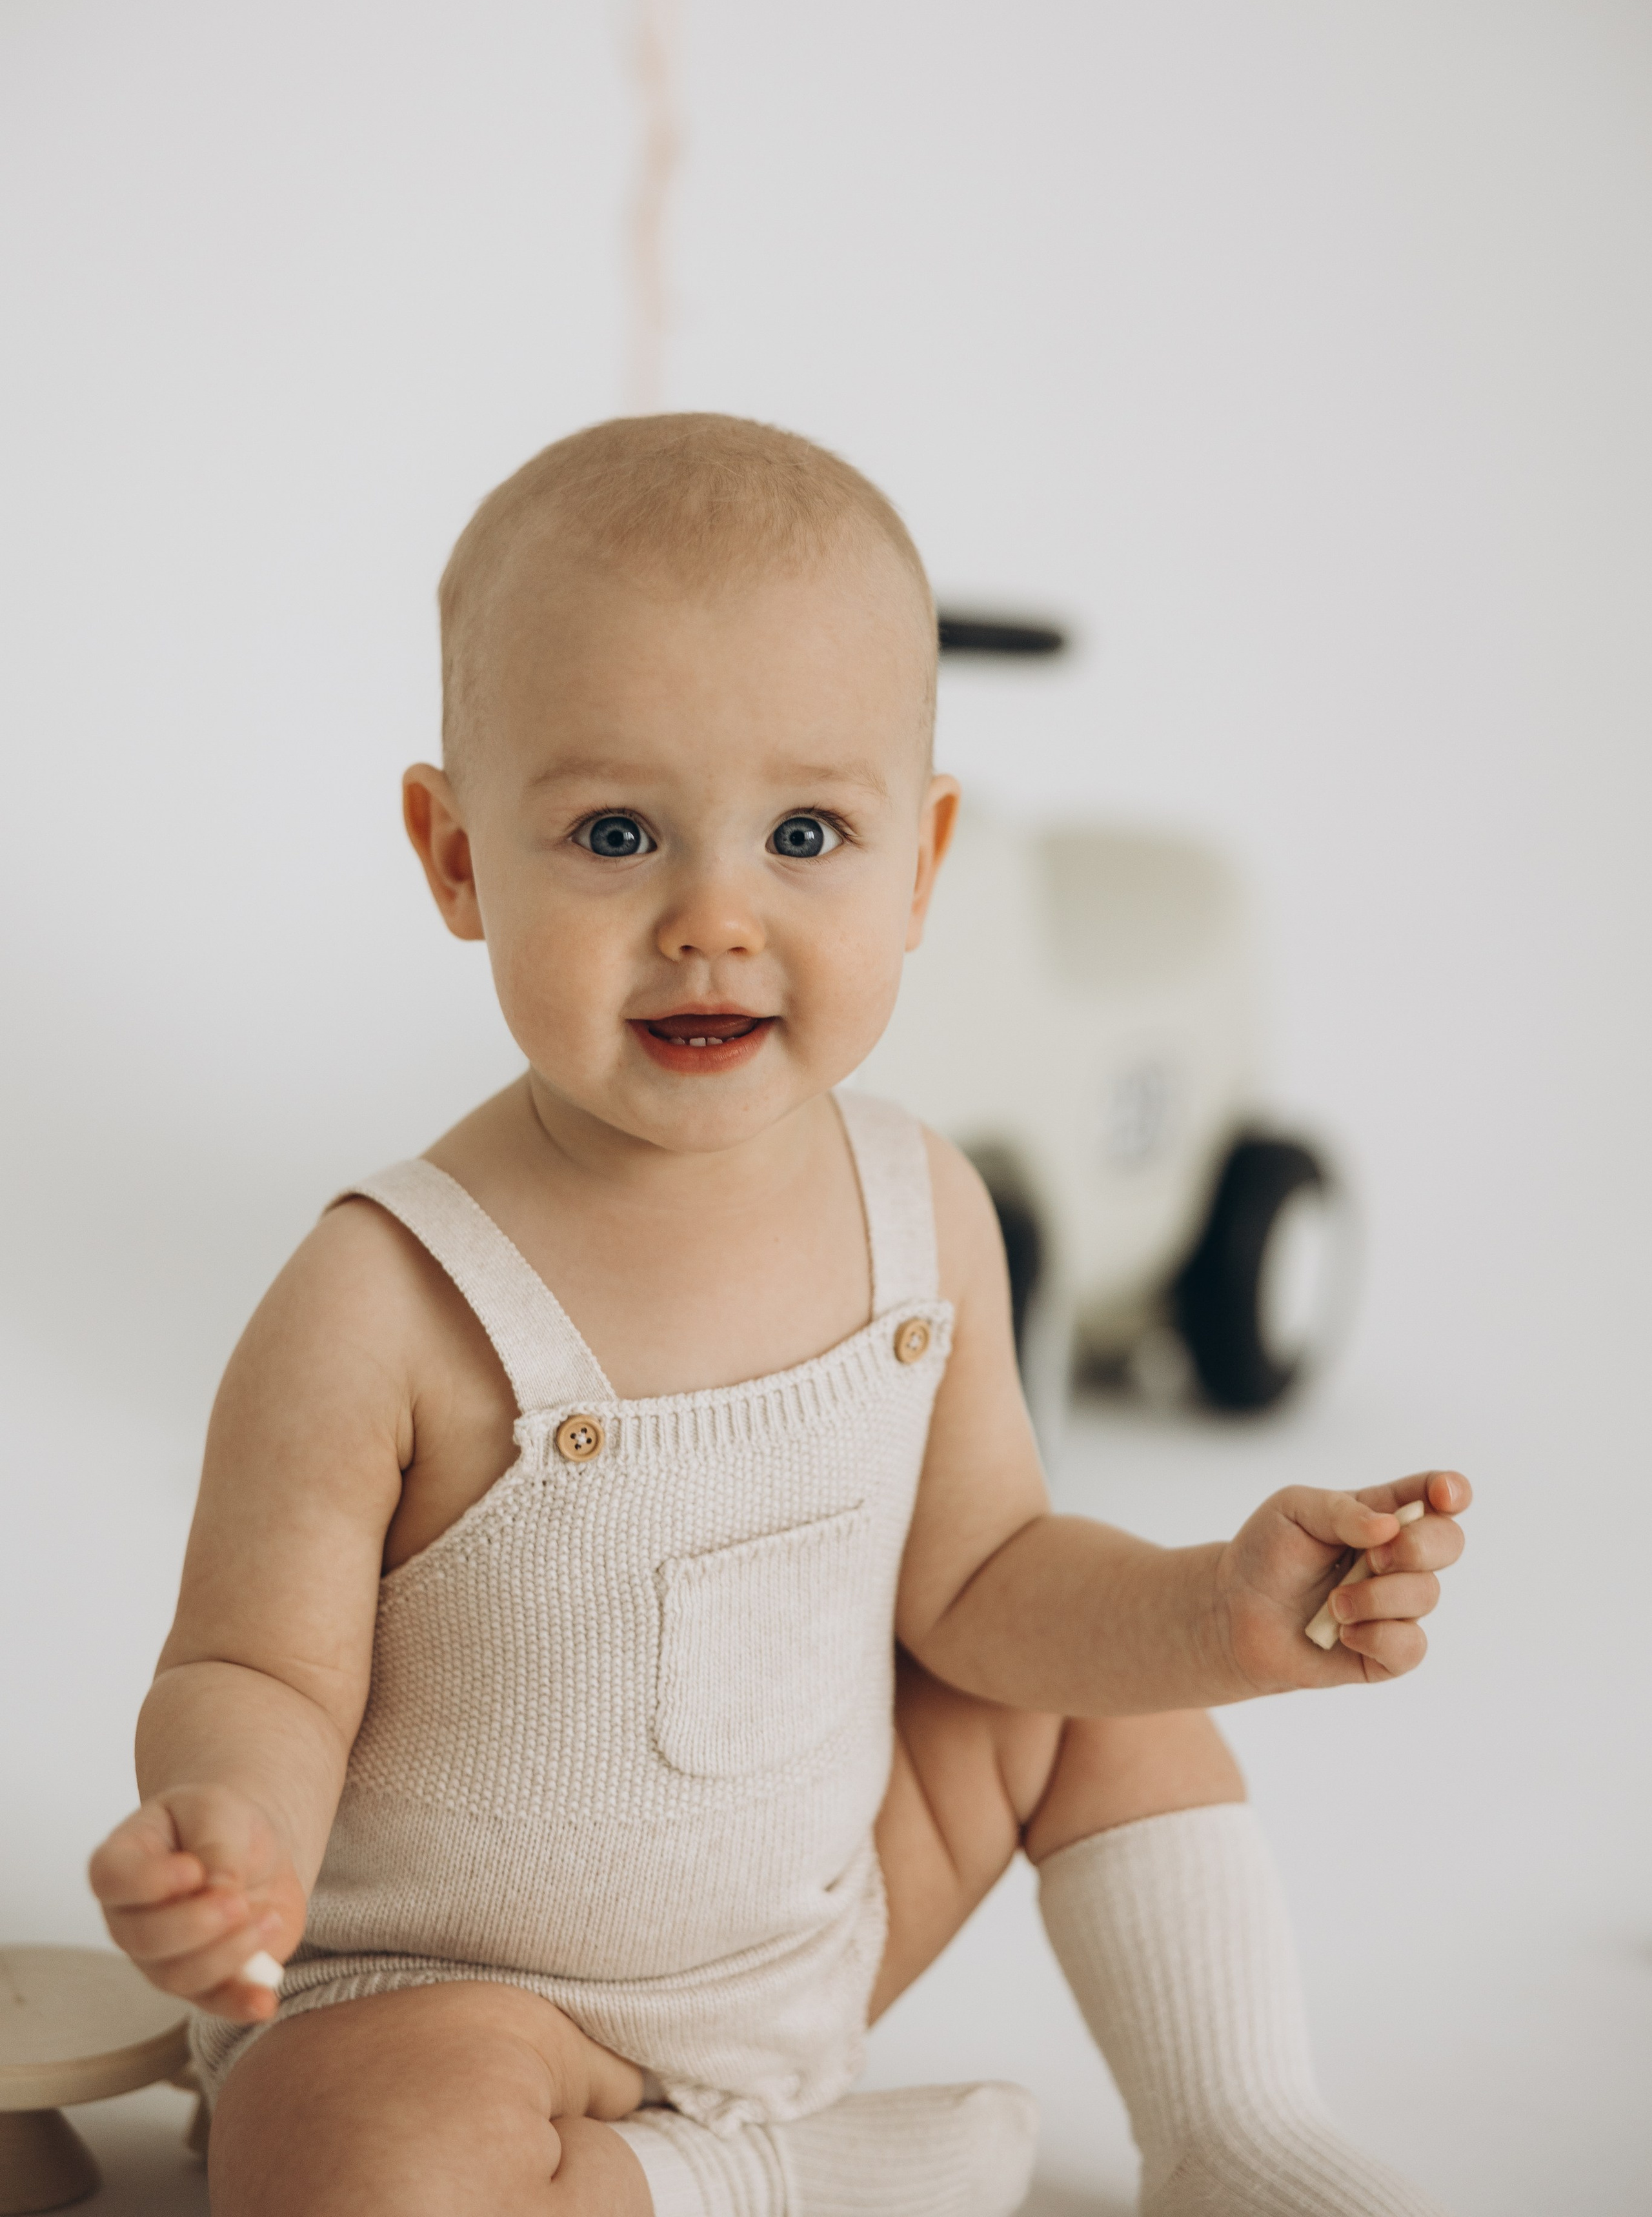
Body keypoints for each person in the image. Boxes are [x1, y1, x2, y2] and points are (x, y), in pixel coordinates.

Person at [89, 415, 1469, 2217]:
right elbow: (255, 1668)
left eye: (806, 832)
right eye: (613, 832)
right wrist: (232, 1836)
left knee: (1095, 1672)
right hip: (458, 2002)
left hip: (820, 1933)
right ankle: (780, 2180)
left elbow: (981, 1588)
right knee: (348, 2163)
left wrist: (1218, 1608)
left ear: (922, 864)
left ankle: (1234, 2129)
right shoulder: (385, 1298)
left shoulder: (926, 1215)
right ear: (453, 859)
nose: (714, 920)